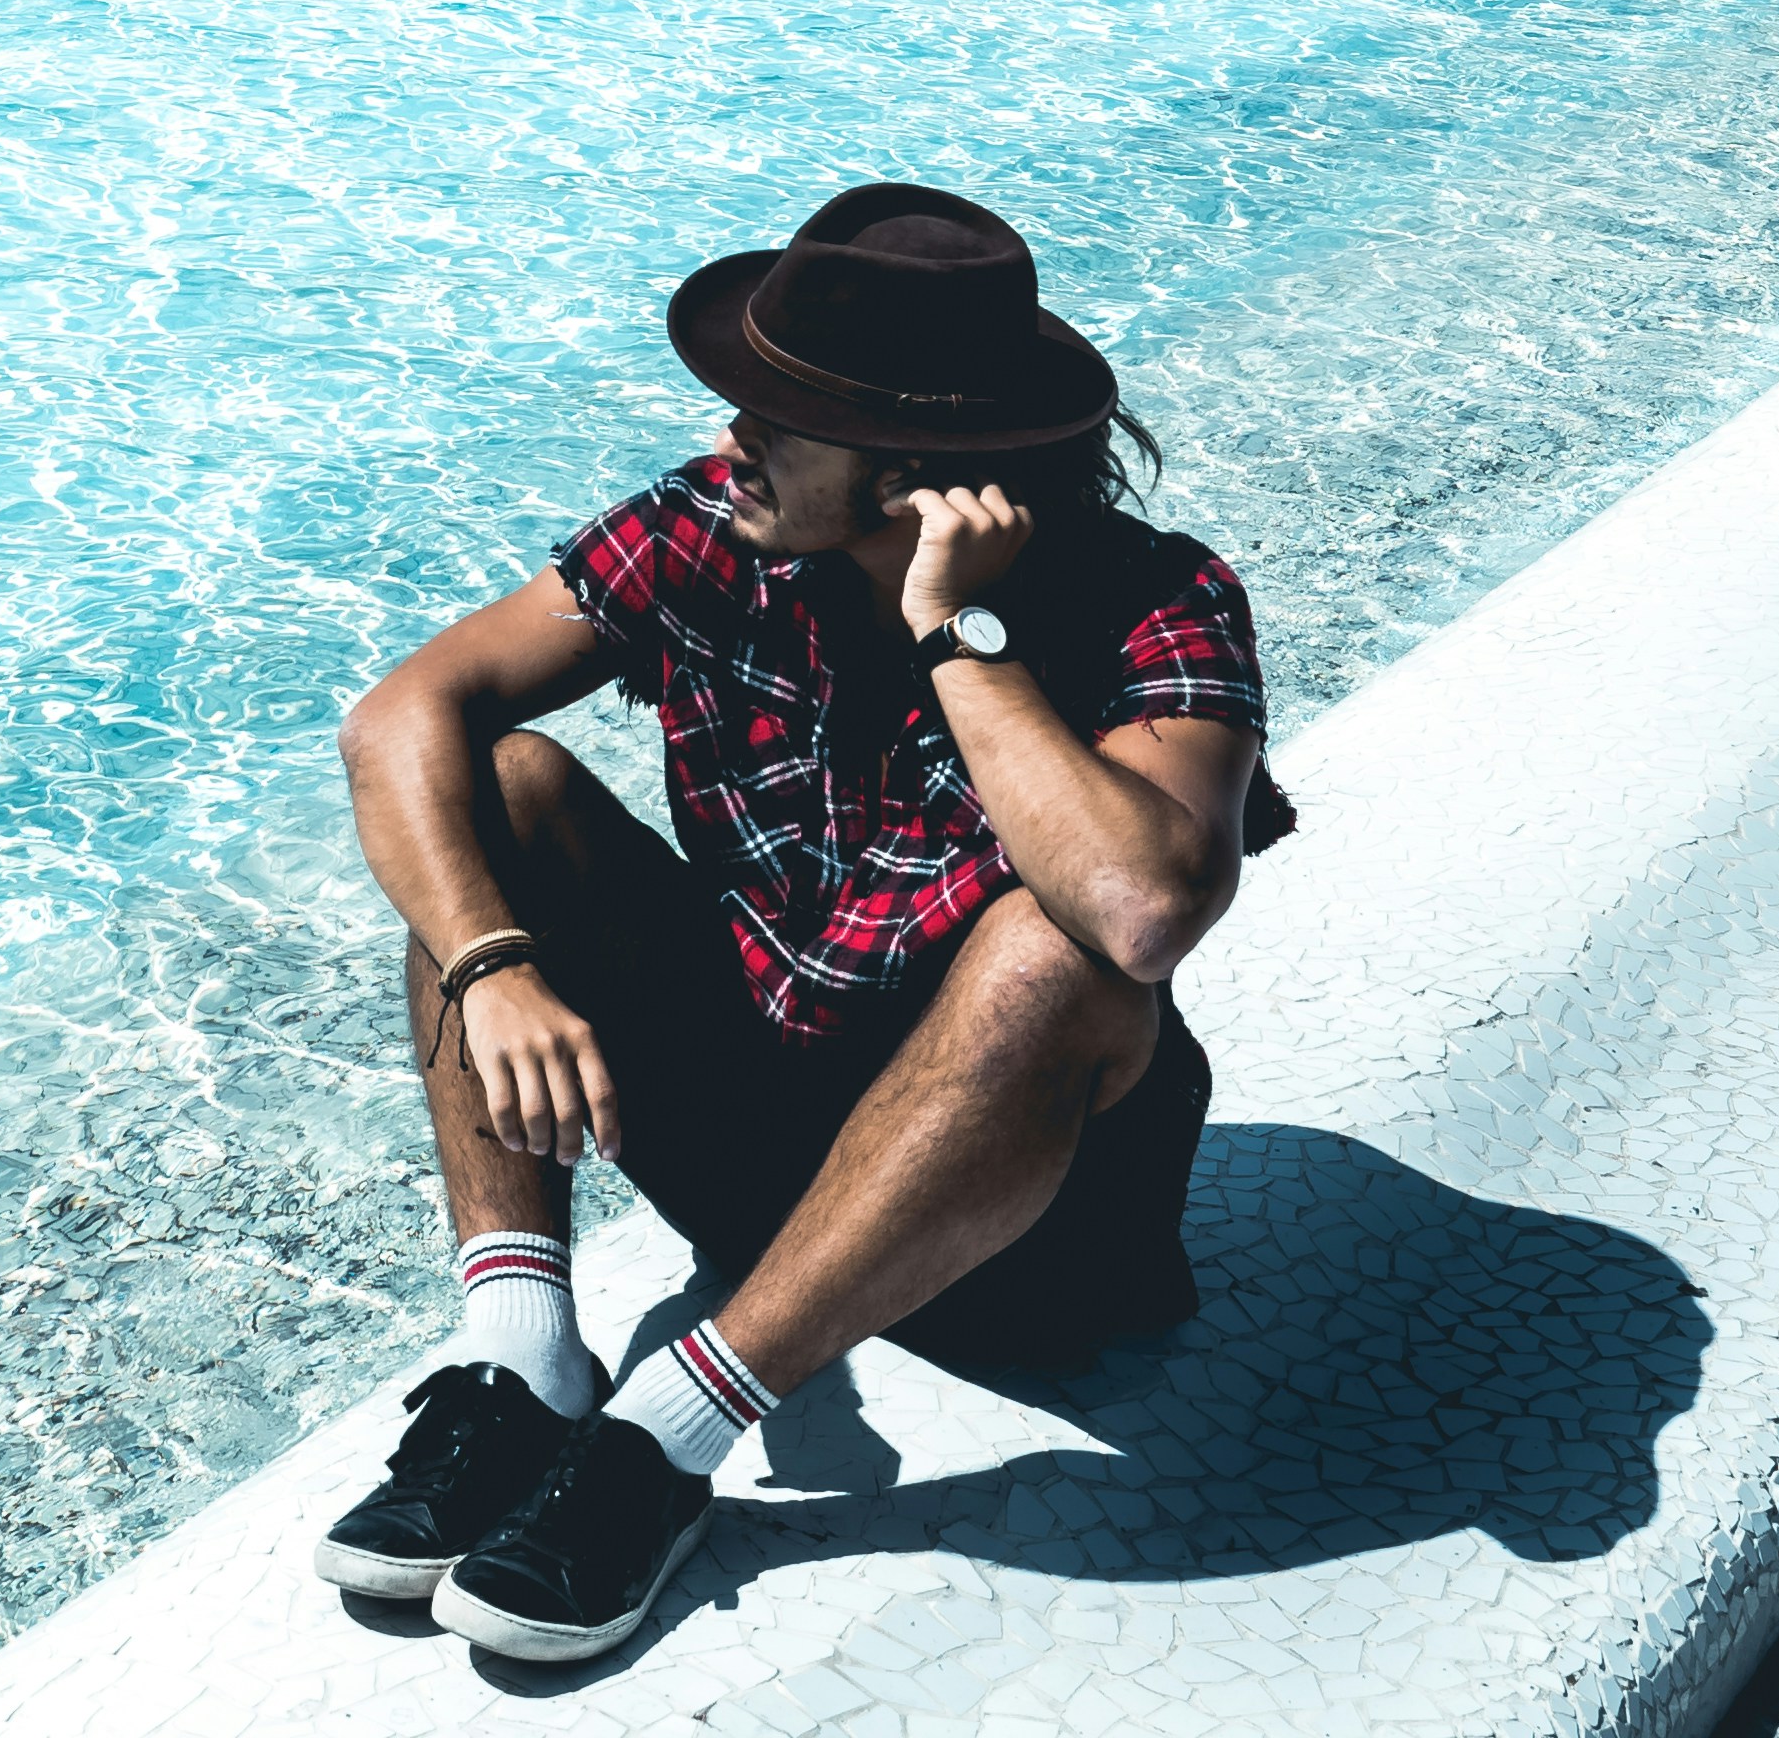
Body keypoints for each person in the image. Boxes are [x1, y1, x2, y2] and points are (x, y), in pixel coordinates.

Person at [319, 185, 1277, 1666]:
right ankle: (520, 1359)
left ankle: (663, 1439)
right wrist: (493, 964)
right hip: (756, 1144)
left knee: (1049, 952)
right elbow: (403, 720)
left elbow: (1144, 907)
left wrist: (954, 632)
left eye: (776, 416)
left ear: (915, 464)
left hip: (1020, 1244)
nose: (730, 442)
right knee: (489, 798)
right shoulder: (716, 536)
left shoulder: (1160, 602)